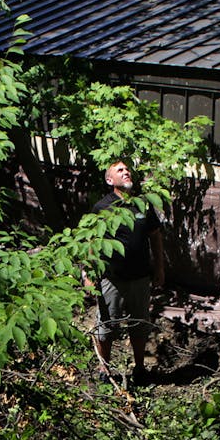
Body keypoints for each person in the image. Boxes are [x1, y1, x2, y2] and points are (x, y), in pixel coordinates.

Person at [83, 159, 165, 384]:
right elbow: (92, 241)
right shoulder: (102, 207)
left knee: (139, 325)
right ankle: (104, 369)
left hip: (140, 277)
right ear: (110, 180)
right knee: (106, 325)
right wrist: (89, 274)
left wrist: (159, 267)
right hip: (112, 278)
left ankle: (139, 369)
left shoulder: (142, 205)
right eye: (120, 170)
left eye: (127, 169)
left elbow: (155, 236)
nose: (126, 172)